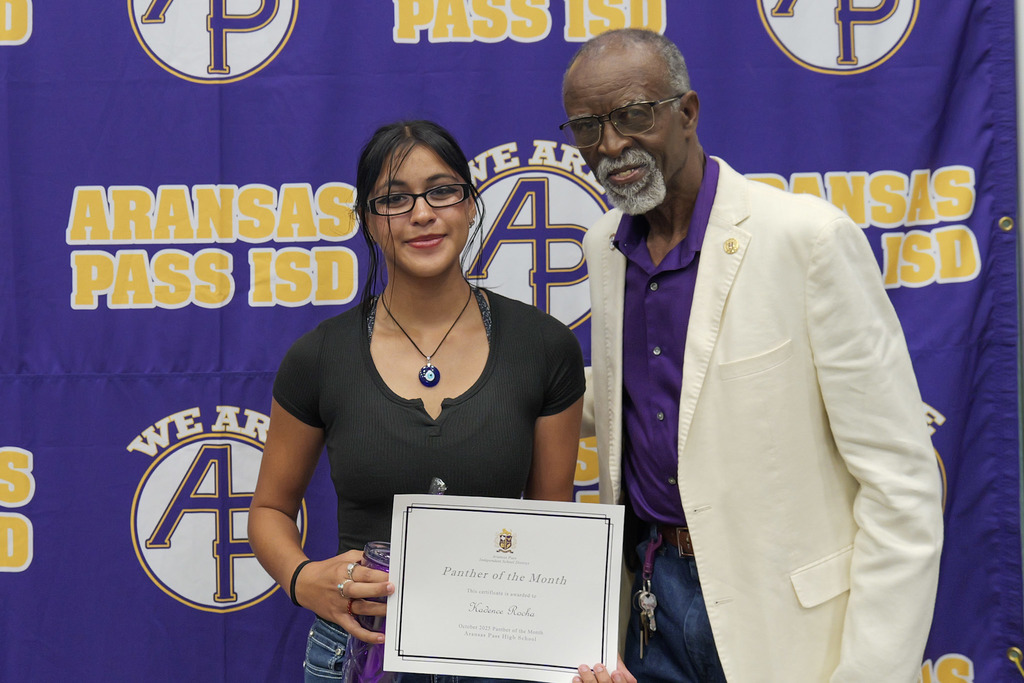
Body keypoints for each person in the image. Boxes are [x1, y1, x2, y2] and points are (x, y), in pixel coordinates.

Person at [562, 29, 944, 683]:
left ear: (687, 112)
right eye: (588, 126)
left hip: (788, 625)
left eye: (633, 115)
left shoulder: (807, 239)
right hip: (651, 602)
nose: (611, 145)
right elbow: (645, 393)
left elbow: (901, 484)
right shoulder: (605, 245)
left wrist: (872, 671)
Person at [248, 120, 586, 682]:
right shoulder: (319, 358)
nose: (422, 214)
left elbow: (550, 525)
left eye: (441, 191)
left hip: (495, 654)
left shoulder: (544, 347)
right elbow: (269, 512)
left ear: (471, 205)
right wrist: (301, 577)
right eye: (393, 200)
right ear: (368, 221)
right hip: (357, 652)